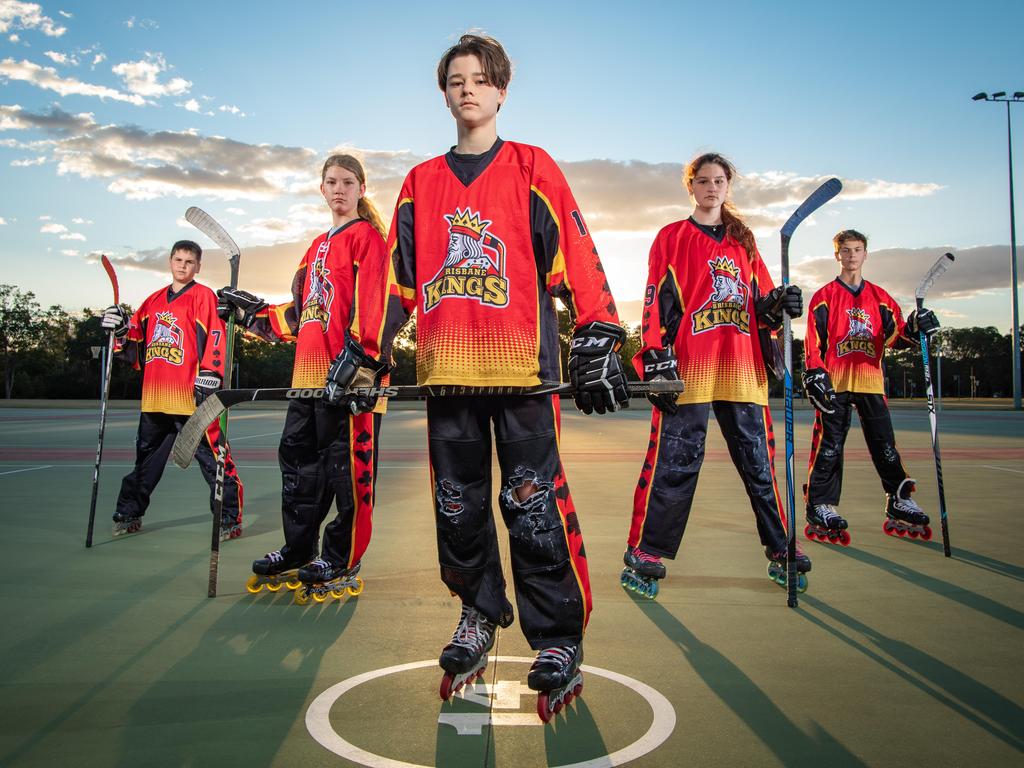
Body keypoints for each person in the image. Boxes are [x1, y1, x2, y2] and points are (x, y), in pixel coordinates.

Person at [336, 33, 628, 719]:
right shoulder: (420, 183)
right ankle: (476, 610)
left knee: (530, 507)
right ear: (445, 94)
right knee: (457, 507)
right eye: (455, 80)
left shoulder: (533, 167)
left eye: (479, 79)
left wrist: (601, 328)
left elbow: (575, 253)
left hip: (522, 370)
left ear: (500, 91)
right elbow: (398, 283)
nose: (467, 89)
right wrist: (367, 349)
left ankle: (556, 637)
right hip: (448, 376)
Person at [622, 152, 808, 598]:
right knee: (675, 464)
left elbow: (761, 304)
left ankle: (781, 548)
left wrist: (781, 305)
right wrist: (655, 359)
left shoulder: (745, 242)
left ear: (729, 185)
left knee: (759, 467)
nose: (711, 187)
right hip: (691, 370)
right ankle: (644, 551)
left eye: (719, 180)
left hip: (742, 369)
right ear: (691, 186)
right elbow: (654, 304)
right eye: (703, 181)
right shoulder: (671, 237)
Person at [216, 154, 391, 600]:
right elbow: (298, 315)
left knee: (346, 473)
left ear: (361, 189)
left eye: (348, 182)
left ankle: (341, 556)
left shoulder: (368, 239)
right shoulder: (315, 247)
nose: (339, 189)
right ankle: (298, 548)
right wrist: (250, 313)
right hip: (308, 378)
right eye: (331, 181)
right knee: (299, 467)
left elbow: (376, 304)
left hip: (350, 382)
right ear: (321, 188)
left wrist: (361, 360)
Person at [802, 229, 940, 544]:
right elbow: (813, 343)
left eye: (857, 249)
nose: (852, 255)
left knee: (884, 443)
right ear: (837, 255)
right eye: (846, 250)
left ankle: (899, 498)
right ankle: (820, 504)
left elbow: (897, 337)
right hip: (835, 382)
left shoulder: (880, 298)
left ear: (866, 254)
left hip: (870, 381)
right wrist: (814, 372)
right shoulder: (824, 297)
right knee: (830, 445)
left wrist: (918, 328)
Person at [101, 240, 244, 539]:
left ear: (198, 267)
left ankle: (228, 517)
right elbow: (134, 341)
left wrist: (210, 373)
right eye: (178, 259)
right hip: (155, 396)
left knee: (214, 459)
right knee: (145, 460)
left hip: (191, 398)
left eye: (189, 261)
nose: (183, 265)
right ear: (170, 261)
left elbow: (216, 336)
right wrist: (120, 329)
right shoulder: (152, 301)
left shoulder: (203, 297)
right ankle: (129, 513)